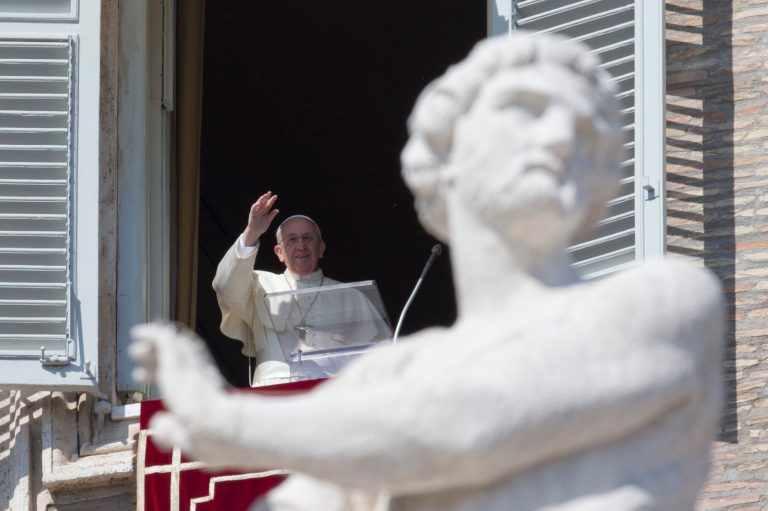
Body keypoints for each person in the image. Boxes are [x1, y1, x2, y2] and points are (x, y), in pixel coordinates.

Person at [132, 32, 724, 511]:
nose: (559, 135)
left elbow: (470, 420)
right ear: (445, 166)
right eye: (524, 112)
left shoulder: (662, 301)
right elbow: (230, 293)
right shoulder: (390, 382)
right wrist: (251, 239)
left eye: (586, 129)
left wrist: (230, 422)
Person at [213, 193, 390, 386]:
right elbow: (224, 285)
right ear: (279, 253)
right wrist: (251, 232)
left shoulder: (350, 295)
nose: (301, 246)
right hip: (275, 389)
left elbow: (381, 352)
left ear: (321, 248)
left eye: (308, 238)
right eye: (291, 239)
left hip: (331, 393)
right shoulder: (258, 285)